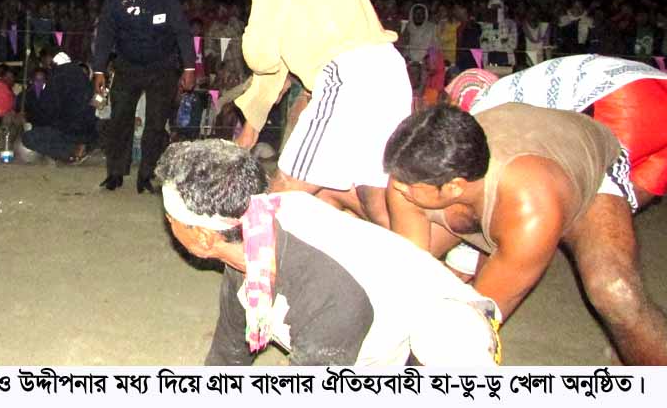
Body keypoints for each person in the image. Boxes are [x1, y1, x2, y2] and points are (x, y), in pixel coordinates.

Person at [156, 139, 501, 366]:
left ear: (203, 237)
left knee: (447, 332)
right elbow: (228, 355)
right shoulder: (255, 232)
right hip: (360, 329)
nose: (167, 222)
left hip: (437, 339)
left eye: (171, 218)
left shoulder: (324, 288)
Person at [384, 104, 667, 365]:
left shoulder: (532, 213)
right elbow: (411, 277)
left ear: (454, 187)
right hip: (512, 146)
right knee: (393, 280)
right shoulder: (408, 176)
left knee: (613, 290)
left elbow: (476, 318)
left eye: (408, 186)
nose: (397, 188)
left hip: (585, 166)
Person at [218, 0, 411, 226]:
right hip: (387, 71)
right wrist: (252, 126)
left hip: (348, 76)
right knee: (376, 203)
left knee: (281, 197)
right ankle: (416, 259)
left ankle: (251, 264)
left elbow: (263, 54)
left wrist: (252, 53)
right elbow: (276, 60)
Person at [457, 55, 667, 209]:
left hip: (624, 94)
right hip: (650, 84)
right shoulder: (511, 88)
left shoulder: (484, 105)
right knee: (626, 200)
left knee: (601, 202)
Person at [91, 0, 196, 193]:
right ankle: (115, 172)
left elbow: (182, 31)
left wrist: (189, 67)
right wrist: (99, 70)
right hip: (127, 66)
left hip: (162, 67)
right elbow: (104, 35)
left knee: (156, 124)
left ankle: (147, 176)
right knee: (119, 119)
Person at [22, 52, 98, 162]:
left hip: (68, 131)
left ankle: (73, 151)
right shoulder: (84, 78)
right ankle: (84, 147)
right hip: (89, 131)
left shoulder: (57, 77)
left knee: (29, 138)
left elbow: (49, 111)